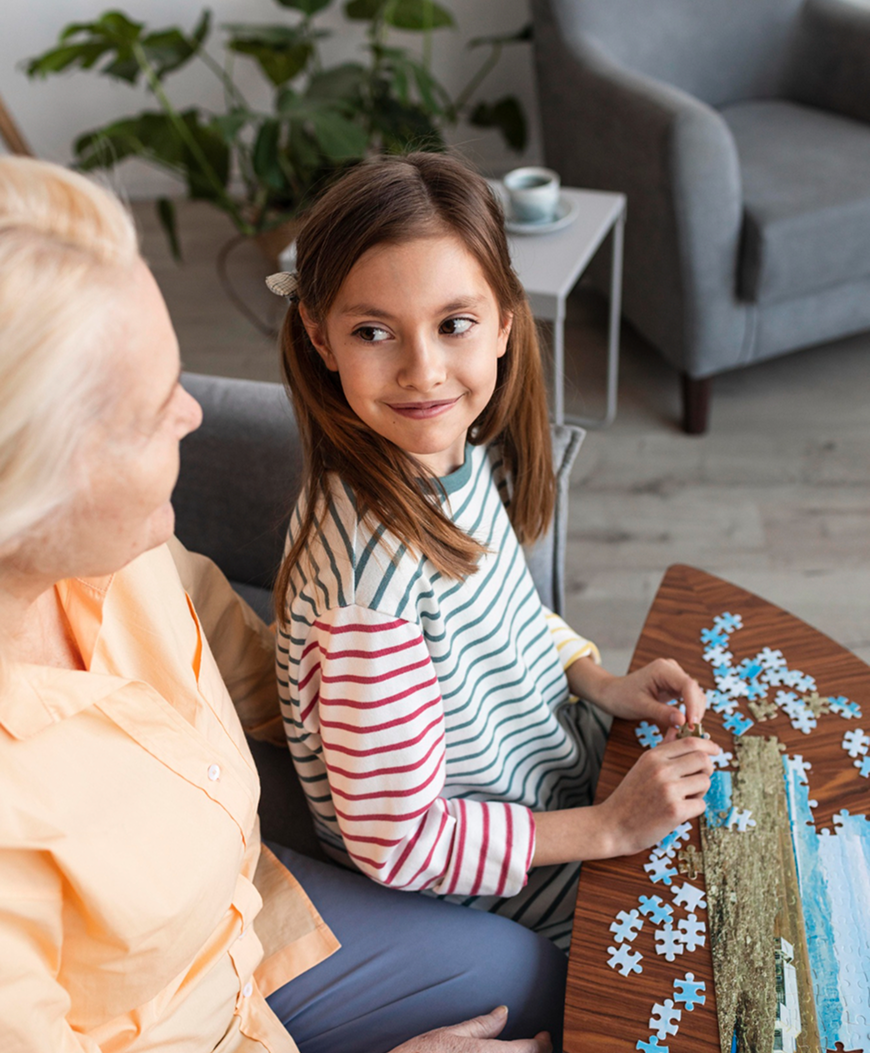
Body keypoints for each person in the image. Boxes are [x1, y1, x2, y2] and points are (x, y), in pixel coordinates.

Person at [0, 156, 565, 1053]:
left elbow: (240, 646)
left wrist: (360, 716)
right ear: (28, 483)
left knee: (531, 971)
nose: (194, 415)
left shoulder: (124, 549)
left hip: (247, 902)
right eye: (150, 414)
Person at [272, 152, 720, 953]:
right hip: (506, 892)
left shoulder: (450, 450)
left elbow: (504, 609)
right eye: (374, 331)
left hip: (565, 789)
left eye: (454, 324)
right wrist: (612, 827)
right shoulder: (365, 606)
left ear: (506, 322)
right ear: (319, 336)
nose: (423, 372)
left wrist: (599, 680)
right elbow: (402, 843)